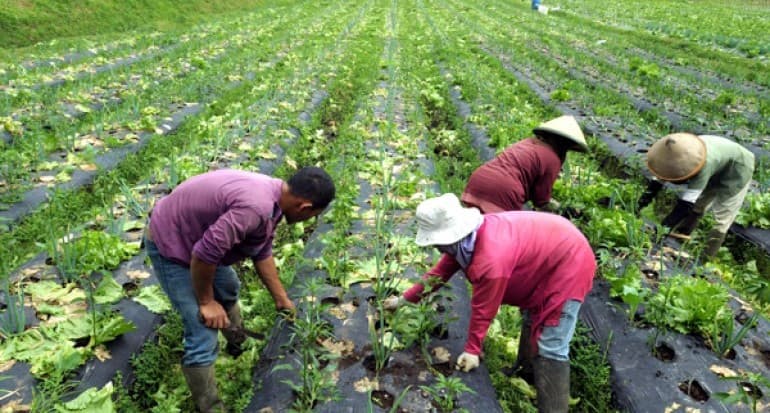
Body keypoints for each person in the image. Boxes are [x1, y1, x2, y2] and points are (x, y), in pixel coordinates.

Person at [144, 167, 335, 412]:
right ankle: (211, 407)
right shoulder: (255, 207)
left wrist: (281, 299)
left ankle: (237, 343)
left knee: (229, 286)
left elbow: (261, 250)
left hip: (197, 239)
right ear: (304, 207)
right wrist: (206, 302)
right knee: (202, 330)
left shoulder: (276, 196)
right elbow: (203, 254)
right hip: (173, 244)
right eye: (312, 216)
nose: (309, 220)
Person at [385, 193, 596, 413]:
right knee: (532, 317)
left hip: (570, 262)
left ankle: (553, 409)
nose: (436, 247)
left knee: (552, 343)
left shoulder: (490, 258)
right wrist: (403, 300)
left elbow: (484, 308)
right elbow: (437, 275)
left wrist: (472, 350)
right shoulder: (464, 242)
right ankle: (526, 373)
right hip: (551, 251)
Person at [637, 133, 755, 258]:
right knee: (699, 204)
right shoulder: (669, 155)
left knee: (722, 217)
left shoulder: (701, 164)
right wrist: (638, 206)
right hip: (718, 159)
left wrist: (662, 229)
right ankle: (679, 237)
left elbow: (686, 203)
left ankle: (705, 259)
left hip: (738, 167)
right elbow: (656, 183)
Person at [461, 115, 588, 214]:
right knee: (496, 232)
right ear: (563, 144)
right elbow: (541, 201)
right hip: (503, 190)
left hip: (479, 179)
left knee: (473, 229)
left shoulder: (528, 142)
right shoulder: (552, 159)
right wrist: (560, 209)